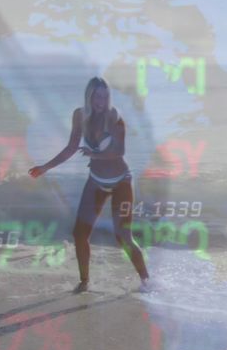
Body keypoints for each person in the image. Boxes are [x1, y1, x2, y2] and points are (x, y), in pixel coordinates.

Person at [29, 77, 152, 293]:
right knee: (79, 234)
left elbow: (119, 151)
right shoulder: (80, 115)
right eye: (97, 96)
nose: (101, 101)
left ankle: (147, 282)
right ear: (89, 96)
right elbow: (71, 148)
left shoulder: (114, 116)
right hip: (96, 181)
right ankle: (84, 282)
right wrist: (45, 167)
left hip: (121, 182)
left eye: (105, 96)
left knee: (123, 236)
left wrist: (94, 154)